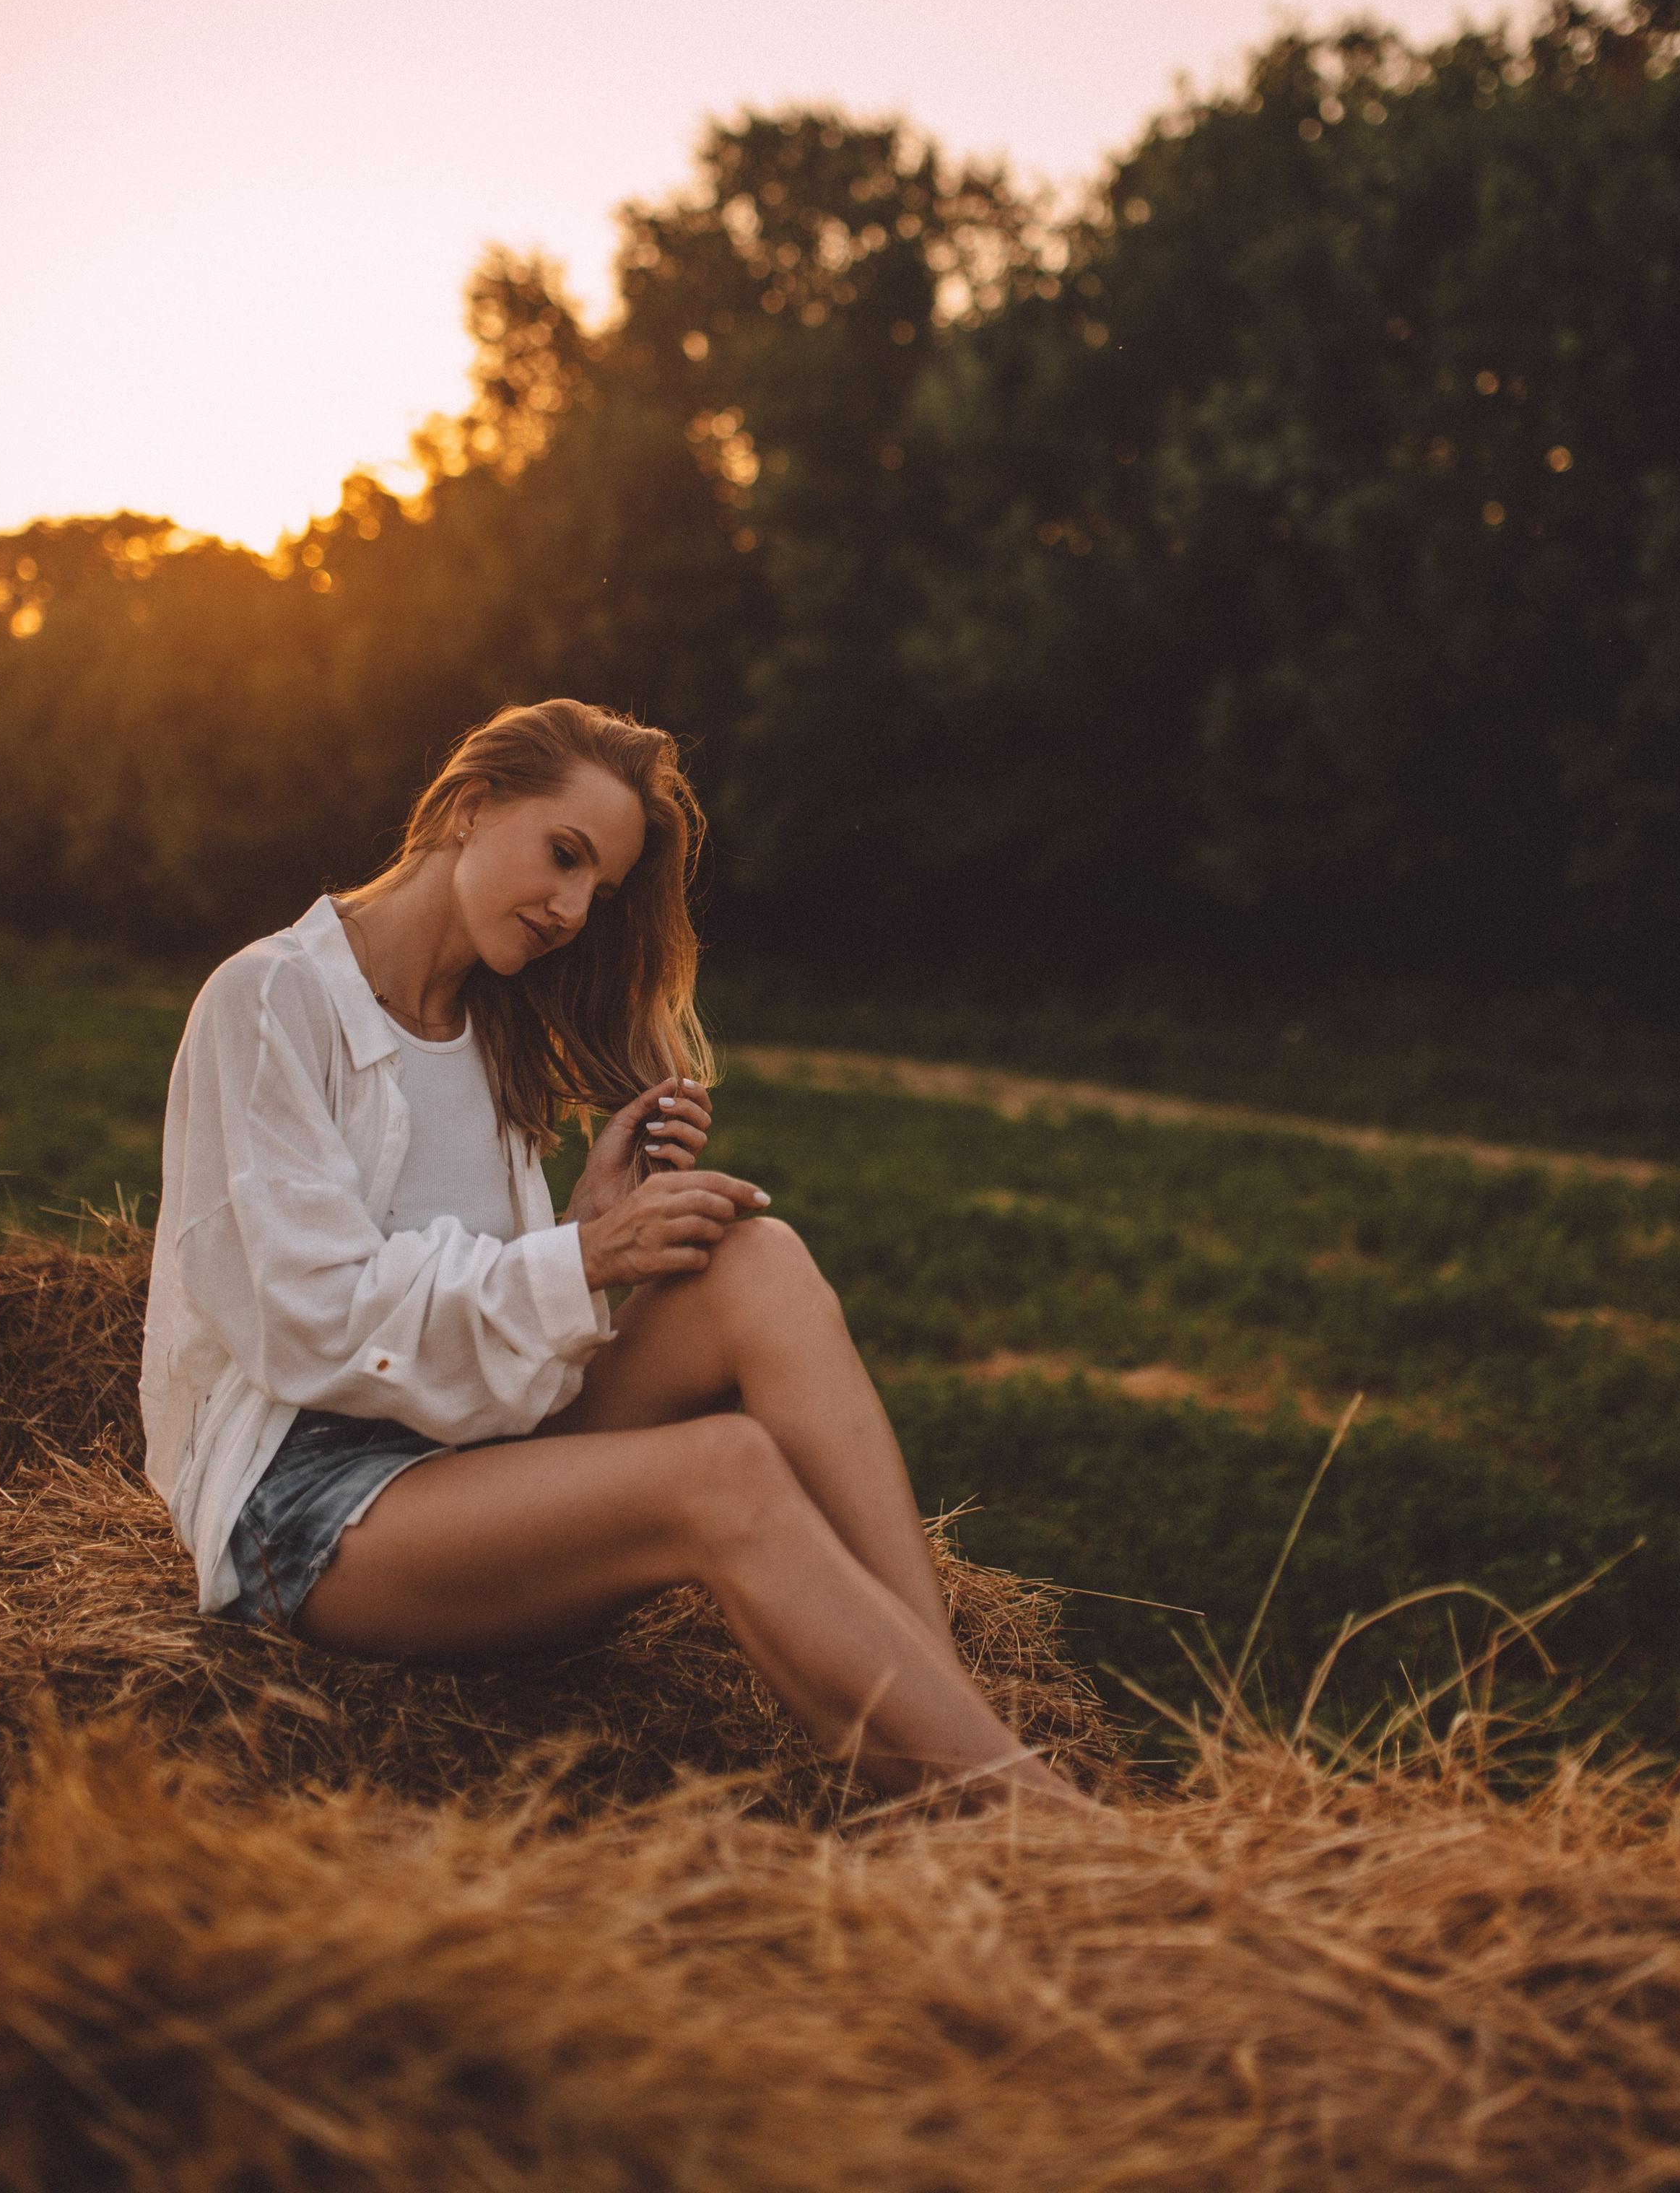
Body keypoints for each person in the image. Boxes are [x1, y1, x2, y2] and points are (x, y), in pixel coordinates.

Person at [141, 697, 1085, 1808]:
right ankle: (1056, 1831)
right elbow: (316, 1319)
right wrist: (583, 1259)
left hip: (470, 1456)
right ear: (469, 807)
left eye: (601, 887)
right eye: (565, 854)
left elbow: (479, 1324)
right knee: (725, 1469)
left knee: (761, 1261)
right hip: (313, 1503)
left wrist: (580, 1224)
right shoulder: (272, 998)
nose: (575, 908)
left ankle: (951, 1714)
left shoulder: (489, 1028)